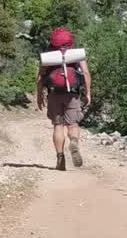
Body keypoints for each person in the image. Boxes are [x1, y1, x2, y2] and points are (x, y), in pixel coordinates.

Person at [36, 27, 91, 171]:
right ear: (70, 40)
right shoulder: (77, 54)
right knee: (72, 124)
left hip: (54, 93)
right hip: (72, 93)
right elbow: (85, 72)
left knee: (58, 125)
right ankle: (73, 141)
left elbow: (40, 77)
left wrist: (39, 95)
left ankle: (60, 157)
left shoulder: (49, 56)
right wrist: (88, 93)